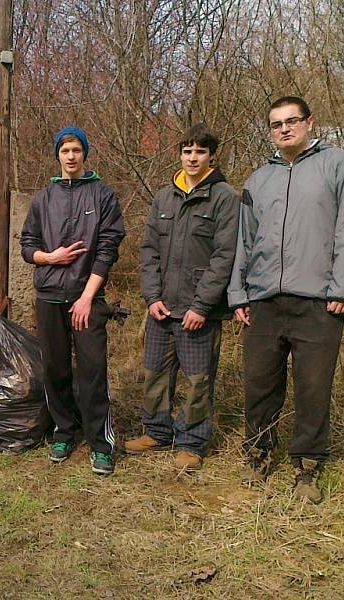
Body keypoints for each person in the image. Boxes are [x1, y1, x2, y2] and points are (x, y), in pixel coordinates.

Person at [228, 96, 344, 503]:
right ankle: (258, 456)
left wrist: (341, 285)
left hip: (318, 300)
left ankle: (307, 468)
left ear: (310, 122)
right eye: (276, 123)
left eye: (291, 121)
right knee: (259, 385)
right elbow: (244, 240)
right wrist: (238, 292)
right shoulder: (259, 179)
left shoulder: (336, 165)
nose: (284, 129)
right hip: (263, 301)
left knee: (312, 388)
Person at [124, 124, 239, 471]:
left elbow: (225, 256)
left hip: (197, 312)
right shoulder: (163, 197)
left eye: (200, 151)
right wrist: (151, 297)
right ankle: (157, 431)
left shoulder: (225, 197)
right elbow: (149, 251)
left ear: (211, 156)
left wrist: (202, 306)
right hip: (161, 309)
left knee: (197, 380)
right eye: (187, 151)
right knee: (155, 374)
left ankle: (191, 443)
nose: (192, 157)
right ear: (180, 154)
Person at [20, 126, 125, 474]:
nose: (70, 156)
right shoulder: (42, 200)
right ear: (57, 156)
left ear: (84, 154)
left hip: (88, 298)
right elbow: (27, 247)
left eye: (76, 149)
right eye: (64, 150)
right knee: (55, 368)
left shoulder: (102, 196)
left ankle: (101, 443)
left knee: (93, 371)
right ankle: (64, 430)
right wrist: (51, 258)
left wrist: (86, 298)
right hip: (48, 296)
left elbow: (107, 251)